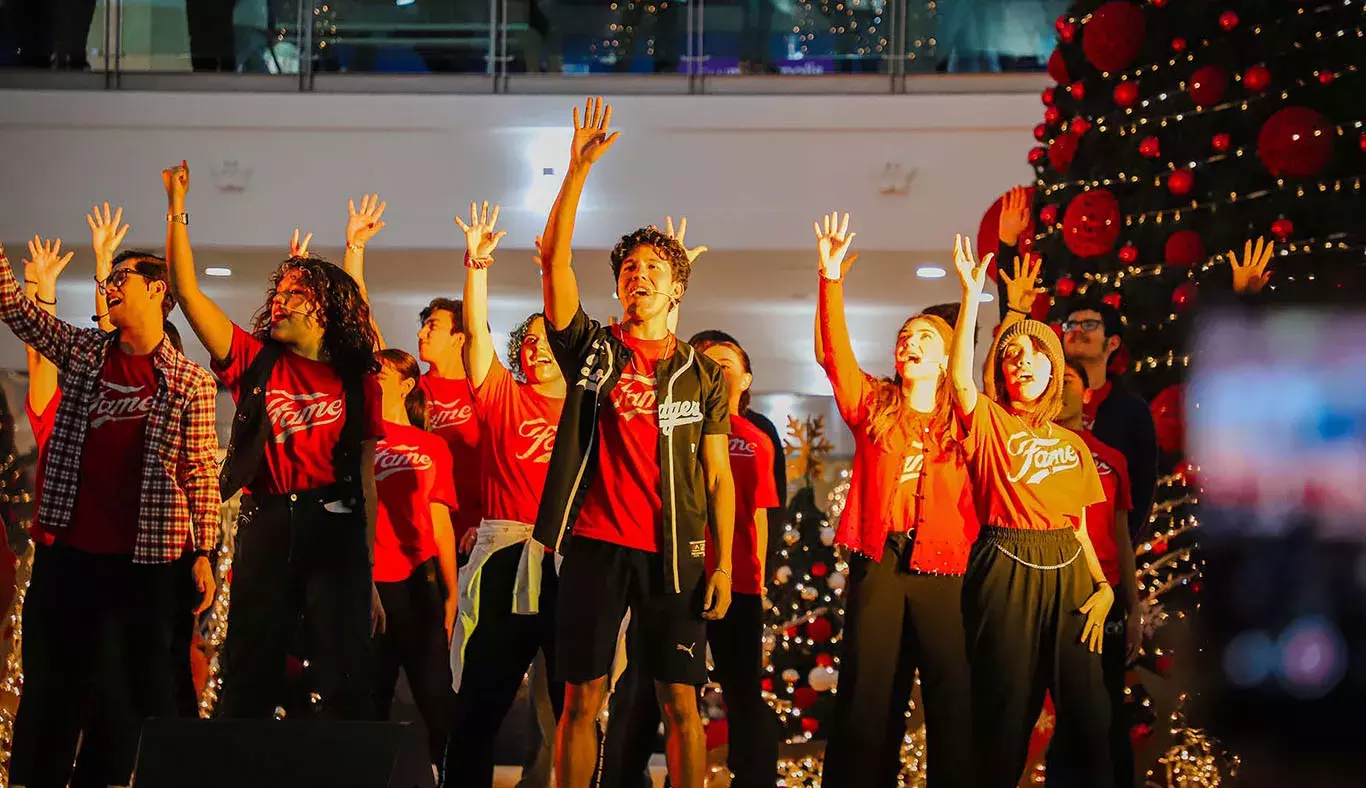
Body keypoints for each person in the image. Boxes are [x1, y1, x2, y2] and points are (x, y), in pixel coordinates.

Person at [534, 97, 735, 788]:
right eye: (628, 267)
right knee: (581, 699)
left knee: (680, 702)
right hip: (593, 543)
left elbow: (718, 477)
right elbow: (554, 260)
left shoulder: (703, 372)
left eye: (654, 268)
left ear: (677, 287)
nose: (638, 275)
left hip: (676, 555)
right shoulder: (592, 349)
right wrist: (577, 171)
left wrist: (727, 565)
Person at [162, 160, 387, 720]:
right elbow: (187, 293)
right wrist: (177, 207)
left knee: (341, 668)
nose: (280, 301)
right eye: (278, 291)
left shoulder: (358, 382)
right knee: (252, 663)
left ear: (325, 309)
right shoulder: (254, 360)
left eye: (296, 293)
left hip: (335, 523)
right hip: (265, 521)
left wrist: (370, 570)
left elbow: (365, 477)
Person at [1, 231, 219, 788]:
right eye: (109, 279)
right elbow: (17, 312)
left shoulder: (189, 381)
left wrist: (205, 551)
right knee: (53, 686)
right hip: (71, 555)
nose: (111, 287)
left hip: (146, 563)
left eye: (123, 279)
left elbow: (198, 470)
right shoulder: (81, 353)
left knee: (127, 694)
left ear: (156, 290)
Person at [812, 213, 976, 788]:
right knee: (867, 694)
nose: (909, 342)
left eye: (924, 338)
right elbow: (834, 357)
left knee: (952, 700)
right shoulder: (875, 405)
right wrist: (830, 279)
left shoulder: (968, 420)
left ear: (944, 359)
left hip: (944, 566)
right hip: (879, 561)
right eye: (905, 335)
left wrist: (971, 296)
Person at [947, 236, 1115, 788]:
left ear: (1053, 368)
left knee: (1090, 717)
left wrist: (1104, 585)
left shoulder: (1073, 446)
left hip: (1069, 572)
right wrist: (972, 296)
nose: (1021, 362)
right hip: (1004, 561)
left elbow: (1081, 529)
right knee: (1003, 716)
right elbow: (960, 382)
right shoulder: (990, 421)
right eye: (1011, 355)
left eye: (1034, 354)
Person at [441, 203, 567, 787]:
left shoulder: (593, 410)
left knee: (572, 711)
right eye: (531, 342)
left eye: (550, 341)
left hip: (571, 559)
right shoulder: (501, 395)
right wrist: (478, 263)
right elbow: (476, 336)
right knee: (479, 705)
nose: (538, 350)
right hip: (504, 552)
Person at [1046, 359, 1143, 788]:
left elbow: (1122, 536)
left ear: (1087, 395)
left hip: (1106, 594)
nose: (1059, 387)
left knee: (1104, 704)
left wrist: (1134, 607)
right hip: (1049, 588)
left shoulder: (1112, 459)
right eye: (1054, 380)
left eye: (1067, 380)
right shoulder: (1035, 448)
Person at [370, 347, 459, 768]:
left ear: (406, 385)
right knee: (371, 699)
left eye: (382, 374)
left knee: (436, 696)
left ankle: (444, 774)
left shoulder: (432, 446)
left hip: (419, 581)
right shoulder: (357, 439)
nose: (373, 379)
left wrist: (452, 593)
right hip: (370, 583)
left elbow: (439, 520)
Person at [1059, 296, 1158, 541]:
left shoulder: (1132, 410)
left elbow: (1142, 487)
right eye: (1070, 326)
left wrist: (1124, 546)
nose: (1077, 331)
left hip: (1107, 550)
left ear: (1112, 342)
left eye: (1090, 325)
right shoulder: (1043, 402)